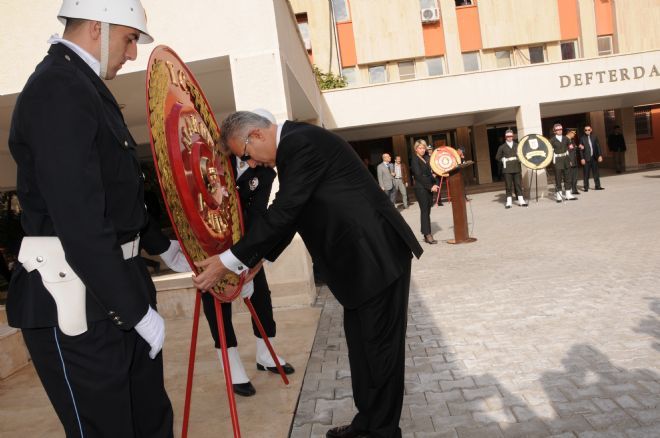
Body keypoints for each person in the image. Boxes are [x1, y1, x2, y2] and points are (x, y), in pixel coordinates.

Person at [6, 2, 183, 436]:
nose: (133, 53)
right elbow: (79, 215)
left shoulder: (80, 85)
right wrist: (133, 310)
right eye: (128, 39)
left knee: (150, 422)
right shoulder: (57, 88)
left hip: (110, 282)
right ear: (97, 29)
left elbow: (112, 194)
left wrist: (163, 247)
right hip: (75, 295)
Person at [192, 111, 423, 438]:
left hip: (375, 258)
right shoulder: (295, 147)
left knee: (380, 354)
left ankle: (382, 432)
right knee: (363, 351)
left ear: (256, 135)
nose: (251, 164)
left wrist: (228, 260)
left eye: (245, 156)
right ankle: (367, 425)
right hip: (359, 264)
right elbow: (294, 212)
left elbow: (286, 212)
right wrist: (258, 259)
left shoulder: (300, 144)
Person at [201, 109, 294, 398]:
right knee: (218, 305)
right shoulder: (215, 160)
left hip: (244, 243)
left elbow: (257, 213)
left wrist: (251, 258)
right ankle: (229, 363)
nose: (257, 159)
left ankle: (266, 353)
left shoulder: (265, 170)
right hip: (210, 243)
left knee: (261, 296)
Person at [410, 139, 439, 244]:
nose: (422, 150)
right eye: (420, 148)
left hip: (428, 187)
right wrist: (430, 187)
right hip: (421, 188)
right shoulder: (414, 160)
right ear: (416, 149)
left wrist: (435, 183)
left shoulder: (426, 158)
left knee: (427, 211)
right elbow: (419, 176)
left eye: (424, 148)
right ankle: (428, 234)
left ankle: (426, 233)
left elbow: (431, 173)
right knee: (425, 211)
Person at [494, 130, 527, 208]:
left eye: (511, 136)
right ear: (506, 137)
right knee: (508, 186)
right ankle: (509, 202)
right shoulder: (502, 147)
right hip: (507, 169)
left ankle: (521, 200)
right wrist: (503, 159)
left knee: (518, 184)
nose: (510, 138)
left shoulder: (517, 145)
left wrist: (520, 158)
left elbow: (522, 154)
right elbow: (497, 157)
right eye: (508, 136)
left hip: (516, 167)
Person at [549, 123, 577, 203]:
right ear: (554, 131)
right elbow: (549, 152)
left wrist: (570, 160)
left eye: (561, 129)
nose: (559, 131)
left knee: (567, 177)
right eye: (557, 130)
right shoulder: (552, 140)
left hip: (566, 159)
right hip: (557, 160)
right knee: (558, 178)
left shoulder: (566, 139)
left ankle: (568, 194)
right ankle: (559, 196)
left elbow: (571, 149)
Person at [579, 124, 604, 191]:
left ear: (591, 130)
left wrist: (600, 155)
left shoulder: (594, 137)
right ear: (584, 131)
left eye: (588, 130)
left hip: (594, 158)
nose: (587, 131)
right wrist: (582, 158)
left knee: (596, 173)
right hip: (586, 159)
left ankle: (597, 186)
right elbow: (580, 149)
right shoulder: (582, 138)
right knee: (586, 174)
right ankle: (586, 187)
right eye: (586, 130)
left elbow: (598, 146)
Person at [566, 129, 580, 195]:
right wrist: (568, 161)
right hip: (569, 161)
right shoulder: (565, 140)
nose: (574, 134)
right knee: (569, 176)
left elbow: (573, 148)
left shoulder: (572, 140)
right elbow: (565, 152)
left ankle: (574, 189)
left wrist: (579, 147)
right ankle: (569, 190)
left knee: (575, 176)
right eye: (573, 133)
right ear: (570, 133)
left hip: (574, 161)